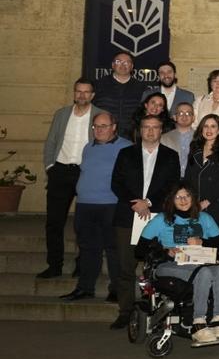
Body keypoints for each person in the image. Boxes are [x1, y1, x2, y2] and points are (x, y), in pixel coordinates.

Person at [109, 115, 181, 330]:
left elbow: (173, 186)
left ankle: (155, 310)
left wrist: (148, 202)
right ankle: (126, 312)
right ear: (140, 130)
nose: (150, 131)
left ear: (161, 131)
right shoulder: (125, 154)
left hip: (157, 218)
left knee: (157, 265)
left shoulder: (171, 156)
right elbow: (116, 183)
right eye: (146, 127)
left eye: (155, 127)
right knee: (125, 265)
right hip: (128, 216)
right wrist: (136, 203)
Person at [138, 183, 219, 344]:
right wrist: (166, 250)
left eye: (186, 196)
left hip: (200, 262)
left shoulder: (205, 218)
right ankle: (198, 323)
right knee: (204, 273)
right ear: (172, 200)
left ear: (193, 198)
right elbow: (139, 250)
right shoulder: (161, 220)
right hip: (169, 265)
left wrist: (202, 242)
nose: (183, 200)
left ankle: (218, 320)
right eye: (178, 196)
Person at [60, 112, 127, 302]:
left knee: (114, 249)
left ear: (114, 126)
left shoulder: (125, 147)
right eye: (95, 126)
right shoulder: (88, 147)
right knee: (88, 248)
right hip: (84, 205)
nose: (98, 130)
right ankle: (85, 287)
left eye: (103, 126)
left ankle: (116, 289)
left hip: (111, 205)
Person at [40, 78, 99, 279]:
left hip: (86, 173)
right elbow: (51, 142)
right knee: (54, 221)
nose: (82, 95)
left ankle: (82, 266)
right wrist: (50, 167)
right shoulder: (62, 114)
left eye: (86, 92)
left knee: (84, 224)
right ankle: (54, 265)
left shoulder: (100, 116)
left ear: (92, 95)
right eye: (78, 91)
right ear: (74, 93)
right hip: (61, 171)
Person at [185, 114, 219, 255]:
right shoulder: (195, 148)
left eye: (213, 126)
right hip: (194, 207)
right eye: (206, 126)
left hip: (216, 207)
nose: (209, 129)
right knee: (195, 251)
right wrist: (190, 202)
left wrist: (207, 201)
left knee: (215, 251)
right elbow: (188, 178)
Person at [93, 51, 148, 141]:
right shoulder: (99, 85)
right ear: (113, 65)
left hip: (131, 138)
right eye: (118, 62)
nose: (123, 65)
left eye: (127, 62)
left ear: (132, 66)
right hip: (103, 136)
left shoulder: (141, 88)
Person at [161, 103, 196, 175]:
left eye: (188, 113)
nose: (184, 116)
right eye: (180, 113)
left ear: (193, 118)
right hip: (171, 179)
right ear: (174, 117)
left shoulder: (201, 138)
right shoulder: (163, 139)